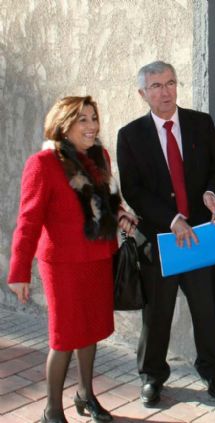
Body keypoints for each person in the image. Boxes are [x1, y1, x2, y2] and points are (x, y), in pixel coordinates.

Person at [7, 96, 138, 423]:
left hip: (97, 257)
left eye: (94, 118)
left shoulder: (100, 157)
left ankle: (85, 394)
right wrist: (19, 271)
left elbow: (109, 201)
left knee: (90, 330)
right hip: (62, 264)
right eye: (83, 119)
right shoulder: (43, 163)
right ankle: (52, 409)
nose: (92, 126)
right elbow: (28, 221)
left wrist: (121, 215)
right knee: (64, 336)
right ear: (63, 124)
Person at [116, 61, 215, 406]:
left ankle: (212, 371)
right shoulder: (131, 135)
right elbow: (133, 191)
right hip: (161, 240)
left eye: (170, 83)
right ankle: (152, 376)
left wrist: (212, 194)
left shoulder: (201, 123)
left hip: (198, 236)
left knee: (205, 310)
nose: (165, 92)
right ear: (143, 94)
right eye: (156, 86)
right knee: (157, 315)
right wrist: (171, 220)